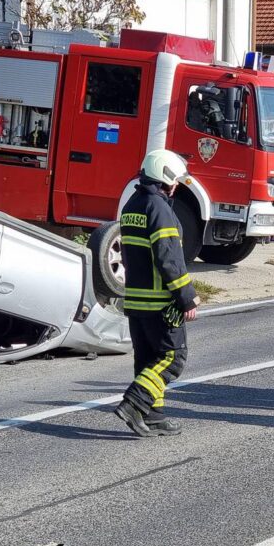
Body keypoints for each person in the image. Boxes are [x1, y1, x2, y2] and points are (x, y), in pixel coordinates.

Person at [113, 149, 200, 438]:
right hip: (159, 301)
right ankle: (135, 403)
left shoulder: (132, 205)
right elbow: (169, 259)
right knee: (173, 356)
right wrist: (186, 297)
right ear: (166, 177)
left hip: (136, 300)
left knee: (148, 359)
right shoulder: (160, 209)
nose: (176, 185)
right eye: (175, 180)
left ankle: (153, 415)